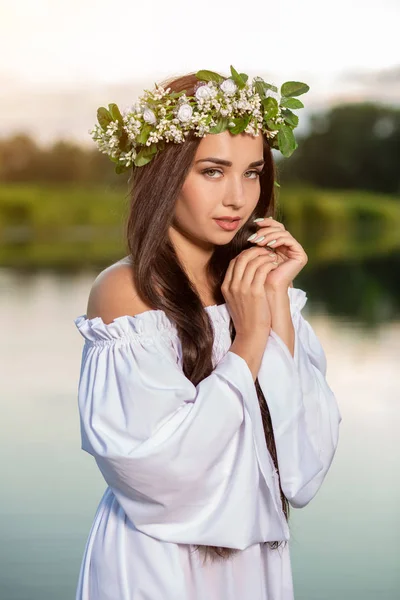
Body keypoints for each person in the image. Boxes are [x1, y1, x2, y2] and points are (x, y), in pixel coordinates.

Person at [73, 67, 342, 599]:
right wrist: (247, 343)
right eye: (213, 171)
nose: (239, 198)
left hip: (254, 561)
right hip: (162, 561)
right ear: (166, 175)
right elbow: (160, 478)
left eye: (253, 172)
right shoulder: (126, 294)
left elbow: (303, 467)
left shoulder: (252, 281)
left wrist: (277, 303)